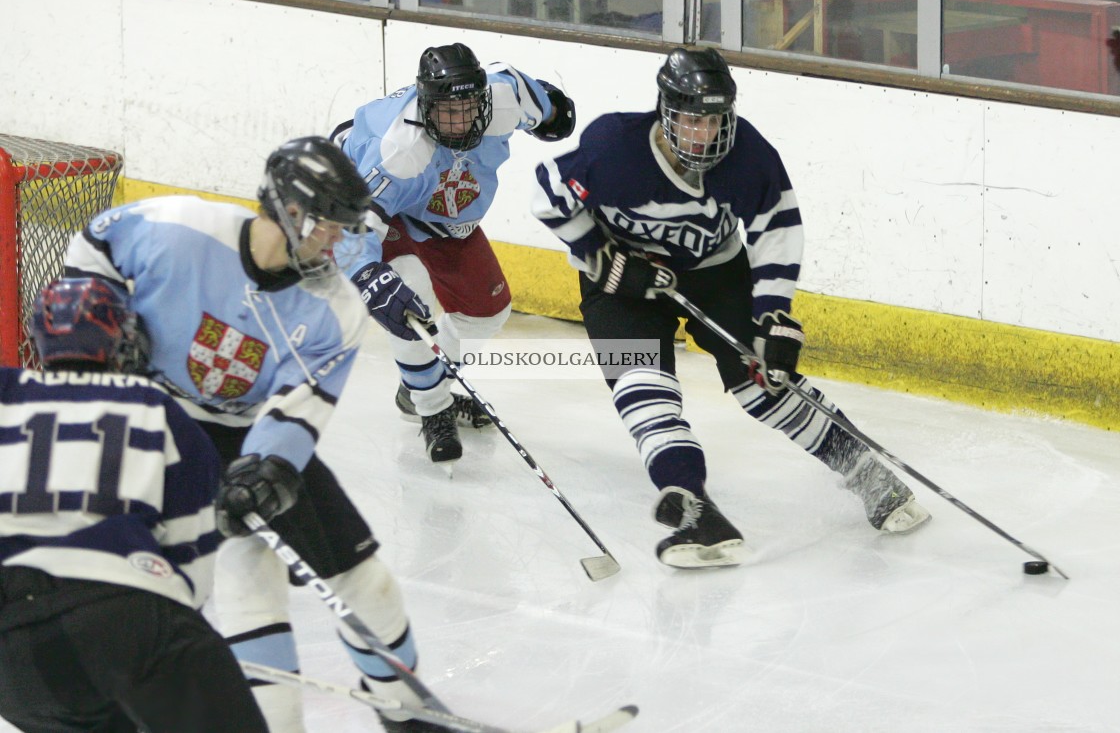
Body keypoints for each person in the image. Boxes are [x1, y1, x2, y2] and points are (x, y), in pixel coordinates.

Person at [62, 137, 441, 732]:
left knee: (364, 579)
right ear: (290, 211)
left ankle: (411, 716)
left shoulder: (335, 306)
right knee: (247, 579)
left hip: (249, 433)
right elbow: (93, 246)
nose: (336, 243)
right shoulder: (178, 228)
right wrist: (104, 313)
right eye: (327, 227)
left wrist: (267, 469)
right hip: (156, 428)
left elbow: (301, 405)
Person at [531, 47, 931, 569]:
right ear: (667, 112)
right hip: (622, 287)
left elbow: (777, 231)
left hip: (717, 274)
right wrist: (601, 258)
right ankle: (698, 515)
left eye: (716, 118)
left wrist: (773, 315)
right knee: (644, 393)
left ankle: (868, 473)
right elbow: (548, 195)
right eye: (693, 119)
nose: (706, 132)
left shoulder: (749, 155)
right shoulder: (614, 147)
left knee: (764, 379)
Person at [0, 277, 269, 732]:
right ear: (121, 340)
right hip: (126, 622)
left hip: (12, 661)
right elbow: (191, 574)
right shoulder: (155, 408)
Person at [331, 42, 576, 466]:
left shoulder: (504, 97)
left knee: (488, 313)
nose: (461, 120)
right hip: (366, 196)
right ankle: (433, 407)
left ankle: (420, 384)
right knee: (410, 298)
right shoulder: (401, 150)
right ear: (425, 106)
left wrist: (555, 112)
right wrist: (369, 276)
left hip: (443, 219)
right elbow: (354, 221)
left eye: (468, 106)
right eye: (447, 110)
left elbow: (546, 106)